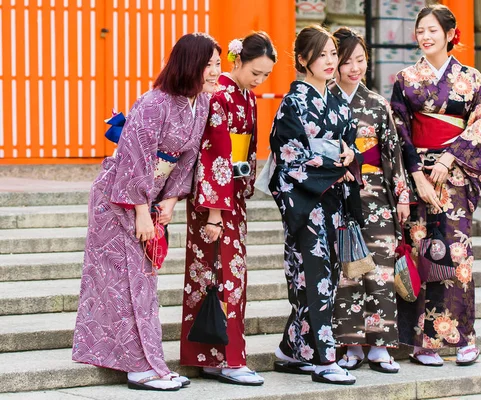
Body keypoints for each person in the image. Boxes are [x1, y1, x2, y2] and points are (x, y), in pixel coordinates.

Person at [72, 32, 221, 391]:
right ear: (191, 66)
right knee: (126, 283)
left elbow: (186, 161)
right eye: (211, 65)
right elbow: (133, 157)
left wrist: (168, 202)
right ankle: (141, 367)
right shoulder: (155, 103)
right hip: (118, 200)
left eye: (218, 63)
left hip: (152, 197)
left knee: (143, 282)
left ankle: (146, 363)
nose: (217, 71)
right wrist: (142, 211)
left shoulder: (199, 104)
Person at [391, 4, 481, 367]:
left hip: (453, 179)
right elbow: (399, 131)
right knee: (420, 253)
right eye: (421, 30)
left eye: (433, 30)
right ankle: (422, 342)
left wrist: (450, 159)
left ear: (451, 34)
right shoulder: (405, 79)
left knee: (457, 257)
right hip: (420, 178)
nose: (425, 36)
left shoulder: (472, 79)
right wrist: (416, 174)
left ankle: (463, 338)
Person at [180, 31, 276, 386]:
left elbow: (244, 149)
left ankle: (209, 356)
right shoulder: (218, 96)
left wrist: (242, 187)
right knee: (223, 277)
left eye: (266, 75)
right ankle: (229, 359)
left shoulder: (245, 96)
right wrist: (216, 213)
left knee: (217, 276)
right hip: (213, 202)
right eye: (256, 72)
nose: (260, 80)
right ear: (238, 61)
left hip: (228, 193)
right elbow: (215, 153)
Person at [267, 25, 361, 385]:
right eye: (321, 55)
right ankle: (324, 359)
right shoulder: (293, 103)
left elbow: (349, 146)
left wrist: (349, 157)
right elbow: (288, 158)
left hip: (334, 202)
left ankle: (292, 349)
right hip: (307, 203)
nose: (330, 61)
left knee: (324, 278)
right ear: (303, 59)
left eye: (333, 54)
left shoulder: (337, 100)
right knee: (314, 278)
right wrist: (335, 164)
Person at [329, 27, 411, 374]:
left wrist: (402, 197)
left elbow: (393, 155)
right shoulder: (324, 99)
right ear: (332, 63)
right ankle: (350, 344)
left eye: (360, 60)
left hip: (376, 195)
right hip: (337, 196)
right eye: (346, 62)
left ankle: (380, 346)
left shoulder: (376, 104)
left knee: (379, 271)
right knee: (346, 274)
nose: (354, 68)